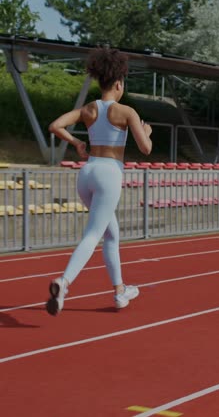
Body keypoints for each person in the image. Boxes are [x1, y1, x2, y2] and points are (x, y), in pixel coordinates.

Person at [46, 47, 152, 315]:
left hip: (87, 172)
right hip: (109, 173)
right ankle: (64, 282)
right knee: (94, 234)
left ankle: (119, 292)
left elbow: (55, 125)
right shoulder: (126, 111)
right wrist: (147, 132)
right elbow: (146, 149)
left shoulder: (88, 109)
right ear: (119, 83)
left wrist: (78, 142)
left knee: (110, 234)